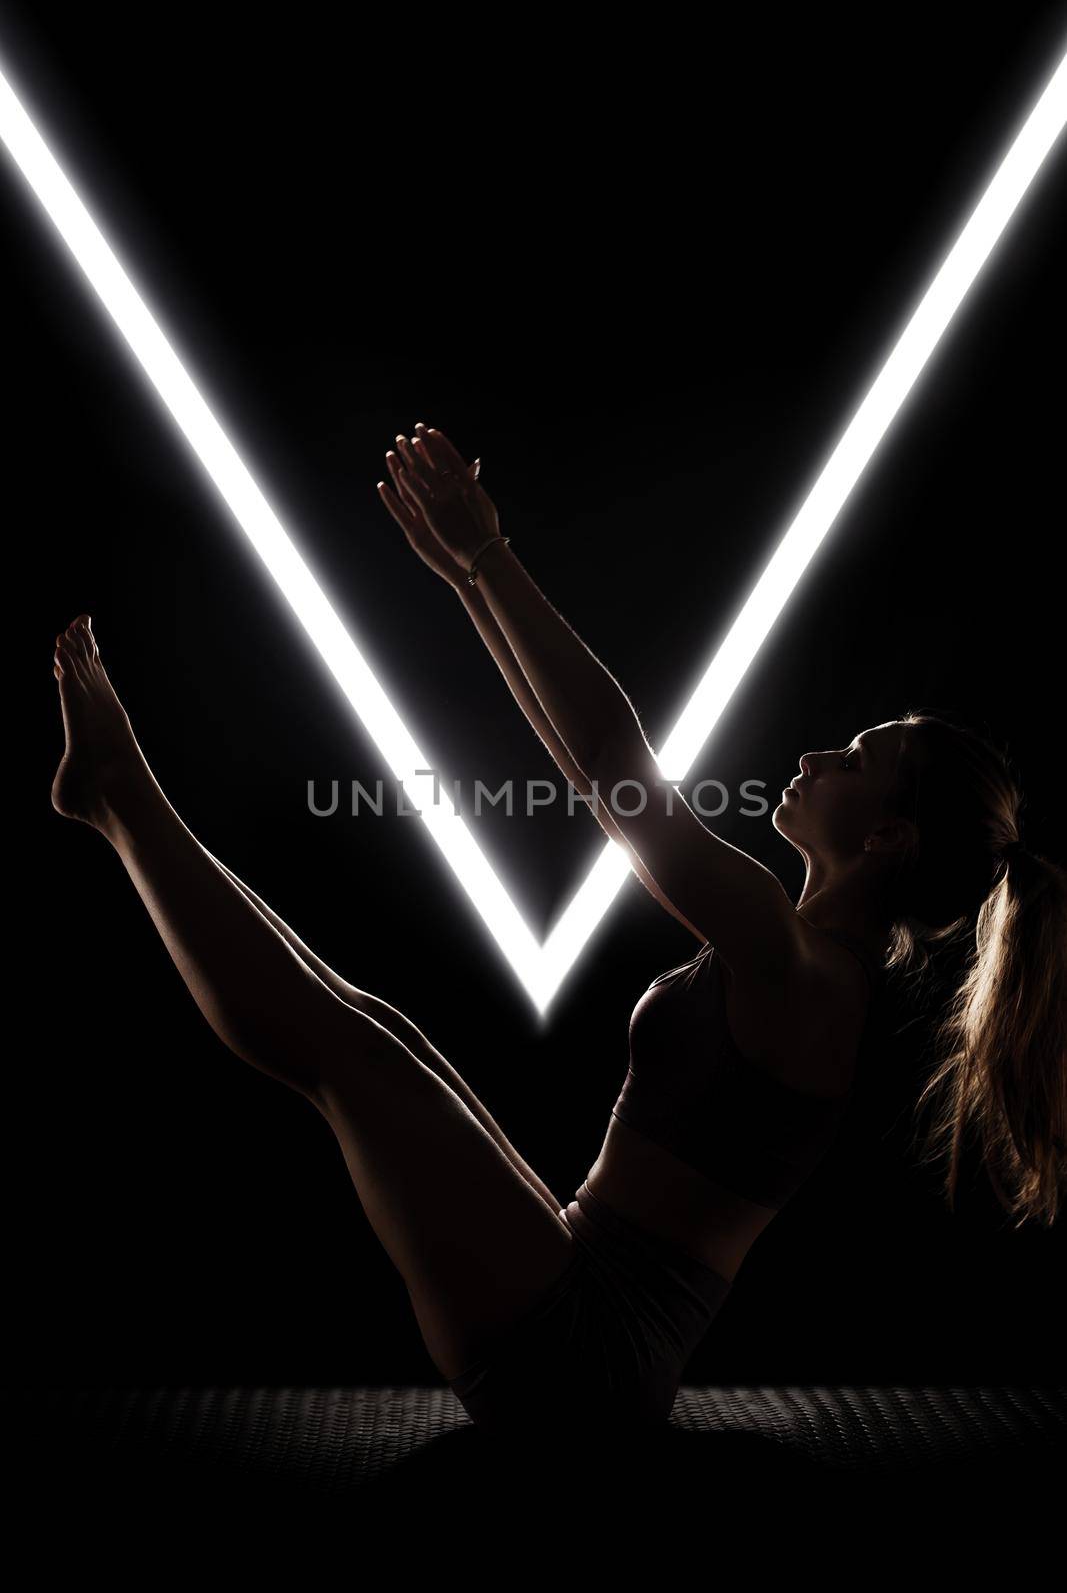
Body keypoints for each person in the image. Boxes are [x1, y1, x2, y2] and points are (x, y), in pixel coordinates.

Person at [51, 424, 1066, 1444]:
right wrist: (465, 579)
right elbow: (595, 772)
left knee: (345, 1051)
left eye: (853, 759)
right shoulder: (795, 953)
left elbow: (610, 762)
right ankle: (115, 796)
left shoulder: (795, 959)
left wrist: (490, 561)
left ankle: (118, 796)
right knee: (372, 1029)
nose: (815, 755)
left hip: (583, 1351)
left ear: (887, 837)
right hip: (577, 1290)